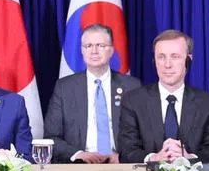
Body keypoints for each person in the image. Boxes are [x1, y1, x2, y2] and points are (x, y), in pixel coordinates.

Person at [116, 30, 209, 163]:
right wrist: (154, 158)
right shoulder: (133, 101)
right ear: (154, 61)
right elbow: (126, 151)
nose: (167, 64)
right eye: (161, 57)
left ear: (188, 60)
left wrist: (189, 158)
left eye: (175, 56)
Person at [43, 24, 142, 163]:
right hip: (78, 165)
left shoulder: (131, 86)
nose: (94, 51)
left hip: (119, 164)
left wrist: (122, 157)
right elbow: (51, 137)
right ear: (82, 51)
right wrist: (79, 154)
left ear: (112, 50)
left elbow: (142, 135)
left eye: (101, 45)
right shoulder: (64, 88)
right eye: (88, 46)